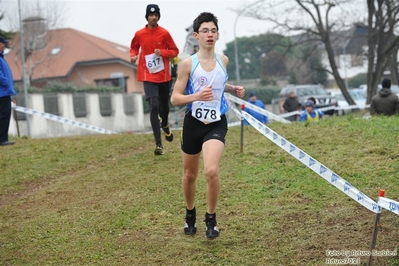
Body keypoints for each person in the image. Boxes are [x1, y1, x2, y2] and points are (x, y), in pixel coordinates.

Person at [170, 12, 245, 240]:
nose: (209, 34)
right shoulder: (187, 64)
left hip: (216, 122)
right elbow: (175, 98)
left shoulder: (223, 61)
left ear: (217, 34)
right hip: (193, 122)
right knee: (189, 175)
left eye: (213, 30)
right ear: (196, 35)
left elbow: (217, 85)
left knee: (211, 171)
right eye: (205, 31)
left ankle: (211, 219)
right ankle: (190, 213)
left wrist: (232, 89)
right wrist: (196, 97)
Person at [130, 4, 179, 155]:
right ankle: (158, 144)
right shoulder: (139, 34)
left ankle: (164, 124)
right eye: (151, 15)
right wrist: (133, 55)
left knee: (164, 105)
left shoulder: (164, 33)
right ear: (147, 17)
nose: (154, 17)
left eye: (156, 15)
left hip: (163, 75)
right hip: (147, 75)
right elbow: (134, 47)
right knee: (154, 106)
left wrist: (162, 52)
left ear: (158, 16)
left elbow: (174, 51)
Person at [0, 36, 16, 146]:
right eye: (3, 44)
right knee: (4, 116)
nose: (4, 46)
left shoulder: (1, 57)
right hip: (2, 93)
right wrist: (6, 83)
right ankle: (2, 139)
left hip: (4, 92)